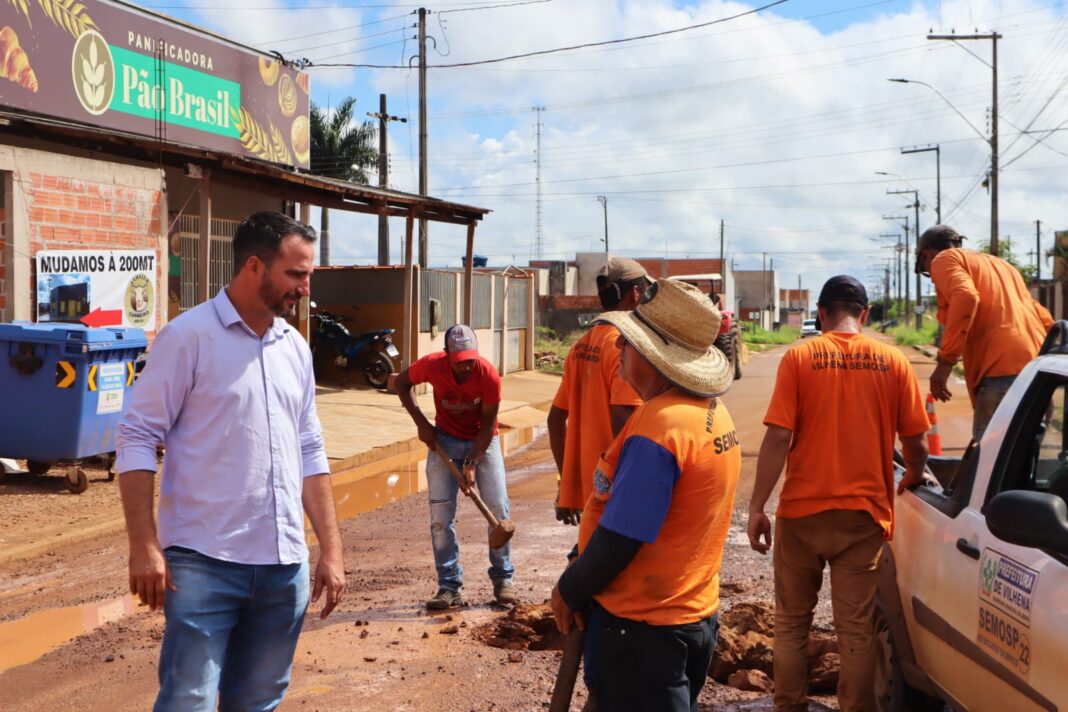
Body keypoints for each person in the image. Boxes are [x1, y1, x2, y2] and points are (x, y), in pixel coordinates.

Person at [115, 212, 345, 711]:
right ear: (255, 267)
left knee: (259, 701)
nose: (305, 288)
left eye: (309, 276)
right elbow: (136, 437)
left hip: (284, 568)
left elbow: (310, 448)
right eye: (296, 274)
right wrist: (143, 545)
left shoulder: (295, 349)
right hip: (203, 564)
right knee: (188, 700)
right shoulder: (187, 337)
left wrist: (330, 548)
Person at [551, 279, 740, 711]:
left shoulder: (660, 429)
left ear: (653, 358)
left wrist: (570, 588)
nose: (619, 352)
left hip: (643, 631)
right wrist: (580, 558)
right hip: (689, 615)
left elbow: (623, 537)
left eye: (627, 345)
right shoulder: (710, 411)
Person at [746, 275, 929, 712]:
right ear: (864, 315)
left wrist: (757, 506)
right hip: (863, 517)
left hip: (802, 514)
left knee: (791, 624)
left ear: (822, 314)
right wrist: (914, 475)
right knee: (855, 630)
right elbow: (917, 442)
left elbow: (777, 438)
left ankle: (789, 706)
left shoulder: (800, 357)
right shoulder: (893, 361)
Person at [394, 323, 516, 609]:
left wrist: (472, 463)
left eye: (470, 360)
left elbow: (488, 425)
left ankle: (503, 580)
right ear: (446, 354)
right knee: (440, 516)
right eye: (460, 362)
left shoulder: (488, 375)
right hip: (444, 440)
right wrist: (422, 424)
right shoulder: (431, 366)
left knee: (498, 509)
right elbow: (401, 383)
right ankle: (449, 586)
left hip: (483, 441)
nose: (466, 367)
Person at [917, 224, 1054, 439]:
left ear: (926, 254)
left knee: (990, 462)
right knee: (1026, 459)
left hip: (1000, 373)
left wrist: (945, 363)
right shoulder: (1003, 266)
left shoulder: (944, 259)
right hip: (1036, 373)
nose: (934, 278)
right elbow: (1041, 314)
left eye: (927, 271)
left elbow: (965, 296)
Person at [547, 257, 649, 526]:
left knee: (590, 558)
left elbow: (555, 420)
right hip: (615, 489)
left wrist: (567, 484)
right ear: (636, 295)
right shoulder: (624, 347)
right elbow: (624, 418)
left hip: (591, 492)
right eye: (646, 292)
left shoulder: (580, 345)